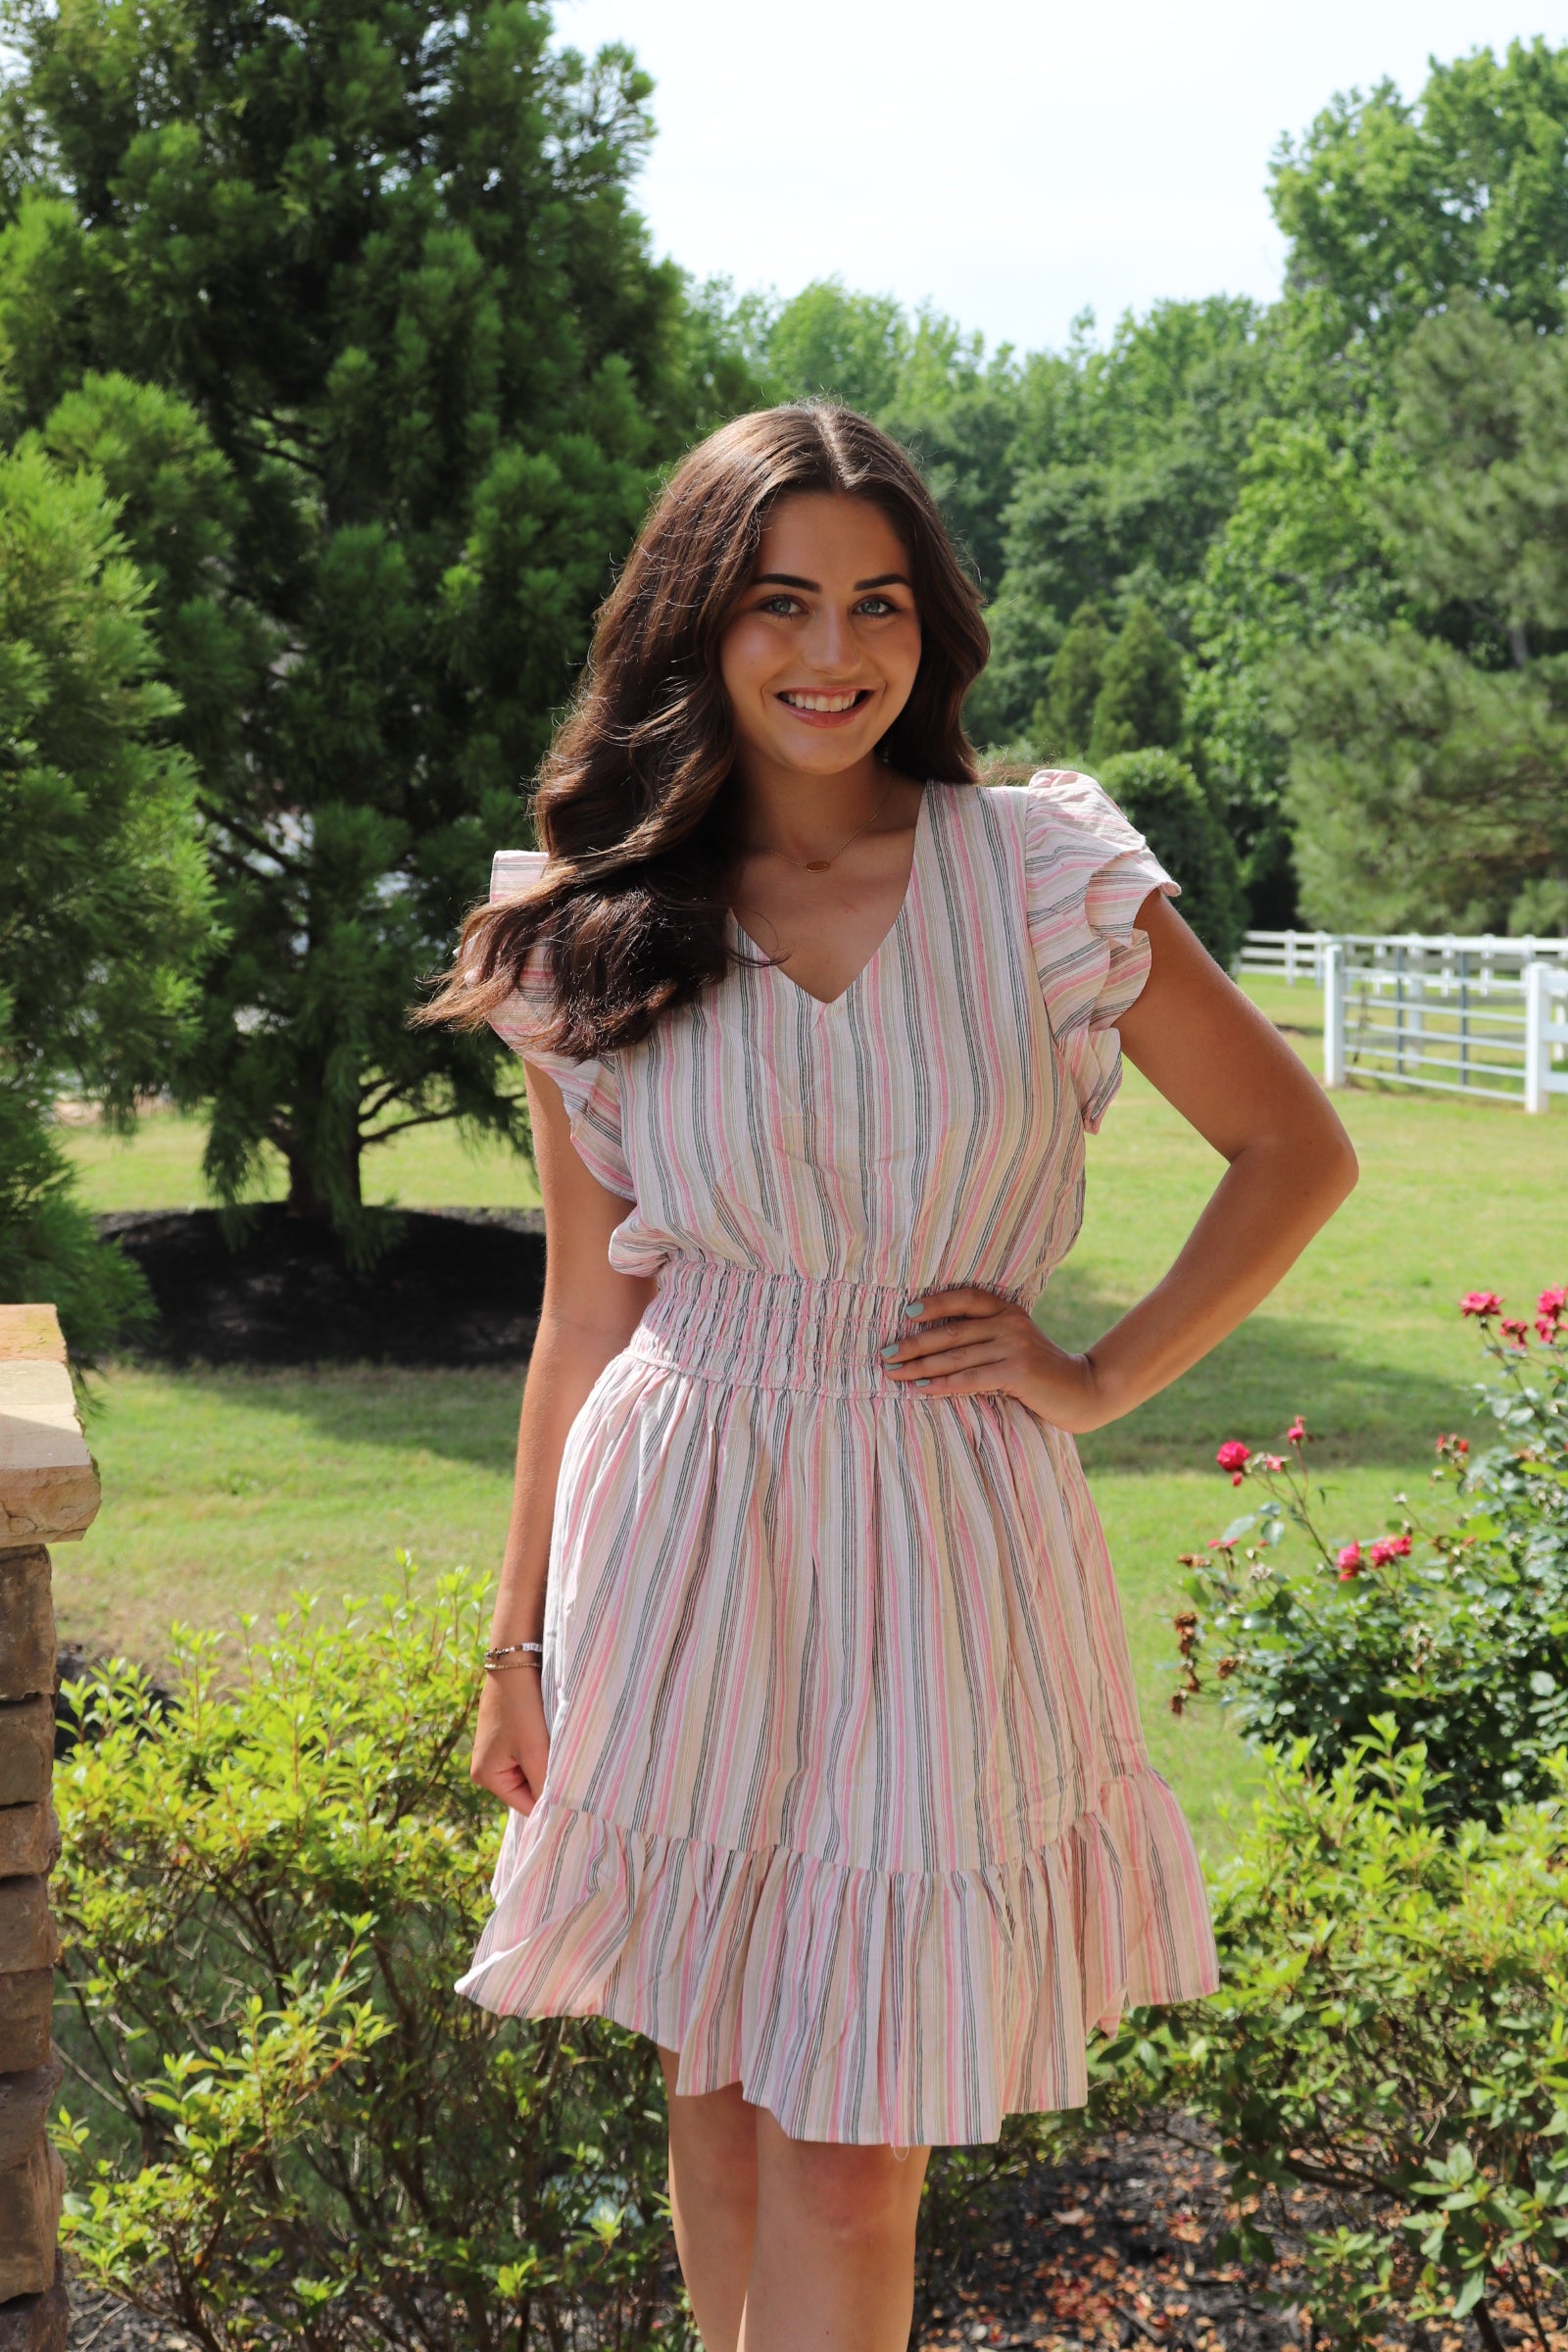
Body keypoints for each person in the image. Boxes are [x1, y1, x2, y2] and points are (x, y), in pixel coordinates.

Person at [422, 404, 1357, 2351]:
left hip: (943, 1515)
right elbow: (583, 1318)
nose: (828, 653)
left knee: (853, 2132)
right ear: (694, 626)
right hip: (681, 1512)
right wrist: (511, 1644)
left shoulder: (1038, 880)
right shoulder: (583, 927)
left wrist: (1095, 1379)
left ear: (928, 632)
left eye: (874, 605)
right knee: (716, 2070)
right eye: (776, 604)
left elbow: (1292, 1153)